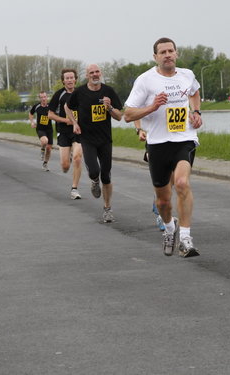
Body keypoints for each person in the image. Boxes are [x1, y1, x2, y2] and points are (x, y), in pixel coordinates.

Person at [124, 37, 202, 258]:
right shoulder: (145, 80)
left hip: (184, 139)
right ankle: (169, 228)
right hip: (157, 143)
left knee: (181, 182)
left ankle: (186, 239)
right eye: (162, 52)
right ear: (155, 57)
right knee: (163, 200)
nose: (167, 55)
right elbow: (128, 114)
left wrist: (196, 113)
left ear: (176, 53)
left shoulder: (187, 75)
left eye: (171, 51)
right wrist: (152, 106)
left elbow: (195, 92)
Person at [65, 64, 123, 222]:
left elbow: (119, 116)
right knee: (94, 171)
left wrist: (109, 107)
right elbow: (67, 107)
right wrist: (75, 123)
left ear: (101, 73)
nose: (95, 74)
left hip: (105, 140)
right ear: (87, 76)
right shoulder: (80, 92)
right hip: (87, 139)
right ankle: (94, 180)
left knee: (107, 176)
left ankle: (107, 208)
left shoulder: (108, 91)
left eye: (97, 72)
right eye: (92, 73)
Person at [48, 69, 83, 200]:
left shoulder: (81, 93)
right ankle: (67, 159)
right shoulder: (59, 95)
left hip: (78, 131)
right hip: (63, 131)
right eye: (67, 78)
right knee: (65, 166)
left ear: (75, 79)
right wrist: (66, 121)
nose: (69, 80)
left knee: (78, 157)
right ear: (63, 81)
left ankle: (74, 188)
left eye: (71, 78)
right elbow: (50, 114)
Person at [133, 120, 165, 231]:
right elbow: (133, 108)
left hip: (176, 138)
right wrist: (139, 129)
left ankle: (159, 198)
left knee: (172, 179)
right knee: (162, 178)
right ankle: (162, 216)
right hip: (154, 140)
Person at [29, 91, 53, 172]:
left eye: (45, 97)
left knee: (49, 148)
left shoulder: (50, 106)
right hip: (40, 129)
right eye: (42, 97)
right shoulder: (37, 106)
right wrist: (32, 122)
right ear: (40, 98)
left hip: (49, 129)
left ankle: (45, 163)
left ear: (47, 97)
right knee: (45, 141)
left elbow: (56, 114)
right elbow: (31, 113)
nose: (43, 99)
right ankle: (42, 149)